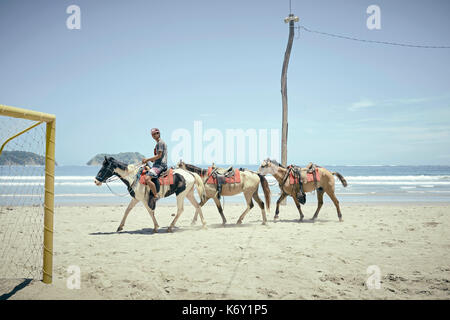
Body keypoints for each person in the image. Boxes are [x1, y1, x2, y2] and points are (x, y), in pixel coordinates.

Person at [141, 128, 168, 200]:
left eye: (155, 134)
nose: (153, 135)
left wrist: (147, 159)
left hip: (160, 165)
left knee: (147, 178)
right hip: (157, 164)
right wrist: (151, 161)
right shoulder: (158, 144)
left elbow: (159, 156)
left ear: (158, 134)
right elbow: (159, 157)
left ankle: (156, 195)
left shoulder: (160, 143)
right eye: (152, 134)